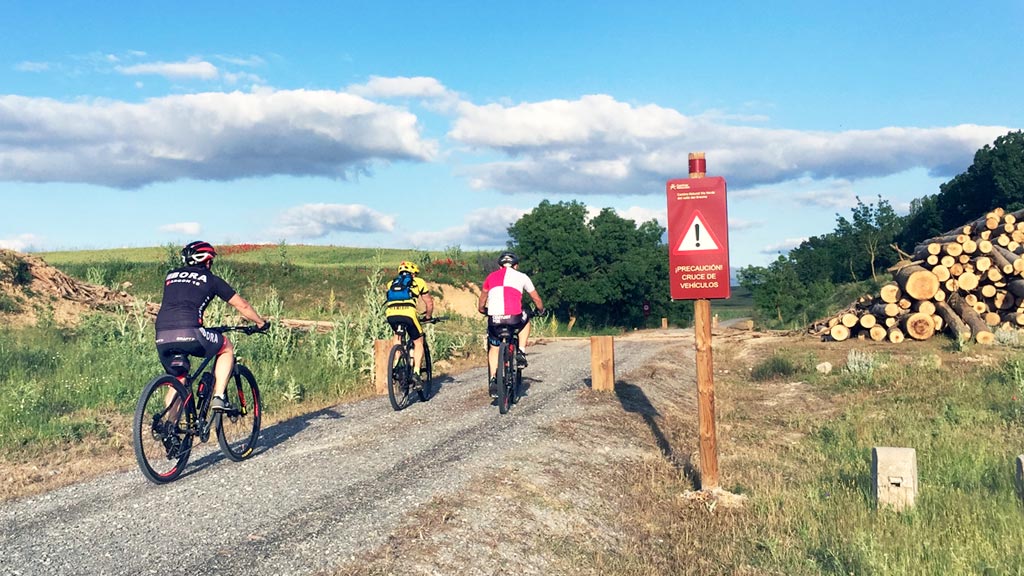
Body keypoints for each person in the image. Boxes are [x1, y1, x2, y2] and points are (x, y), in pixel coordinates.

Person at [154, 241, 269, 413]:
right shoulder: (212, 280)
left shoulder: (170, 276)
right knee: (226, 347)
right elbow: (242, 305)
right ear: (207, 261)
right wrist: (260, 323)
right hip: (191, 332)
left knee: (179, 379)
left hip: (162, 335)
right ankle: (219, 396)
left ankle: (170, 426)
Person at [477, 251, 544, 398]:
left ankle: (493, 380)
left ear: (499, 266)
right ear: (516, 265)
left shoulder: (490, 277)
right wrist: (541, 310)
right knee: (526, 319)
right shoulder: (522, 276)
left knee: (494, 348)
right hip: (514, 318)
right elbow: (536, 298)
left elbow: (482, 300)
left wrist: (482, 310)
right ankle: (521, 352)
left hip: (494, 319)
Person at [384, 260, 435, 388]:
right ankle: (416, 373)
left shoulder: (391, 283)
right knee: (418, 341)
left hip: (391, 313)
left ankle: (396, 364)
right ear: (413, 273)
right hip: (409, 314)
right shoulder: (419, 282)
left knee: (397, 336)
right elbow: (429, 303)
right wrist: (428, 316)